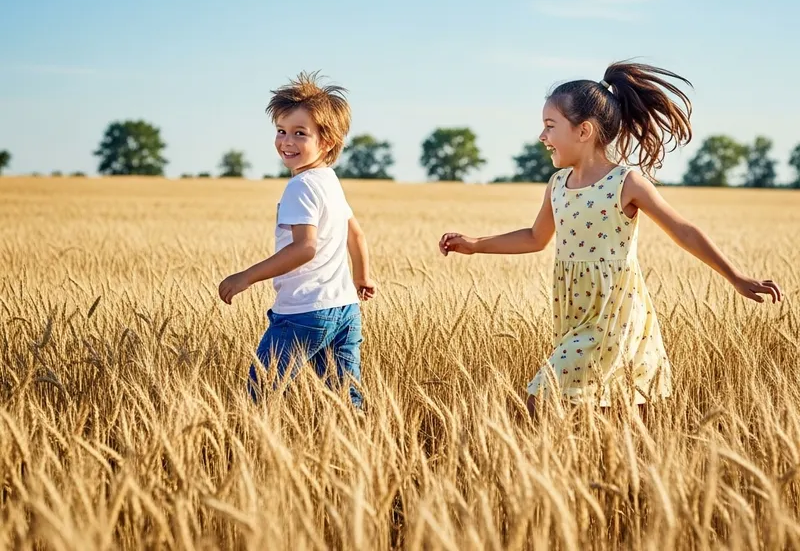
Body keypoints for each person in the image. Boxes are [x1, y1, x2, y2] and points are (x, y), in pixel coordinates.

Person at [438, 62, 781, 414]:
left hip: (614, 312)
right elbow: (535, 237)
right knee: (600, 409)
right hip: (574, 312)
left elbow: (683, 230)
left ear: (583, 131)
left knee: (543, 399)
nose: (542, 137)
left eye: (550, 126)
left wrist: (735, 276)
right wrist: (476, 245)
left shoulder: (625, 182)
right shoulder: (558, 185)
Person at [218, 72, 375, 407]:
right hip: (344, 308)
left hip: (304, 311)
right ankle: (362, 449)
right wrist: (360, 278)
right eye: (281, 131)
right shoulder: (329, 180)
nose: (286, 141)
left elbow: (305, 248)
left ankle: (253, 453)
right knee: (347, 400)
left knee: (260, 395)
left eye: (300, 134)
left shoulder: (299, 187)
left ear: (327, 142)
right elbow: (356, 234)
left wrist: (246, 276)